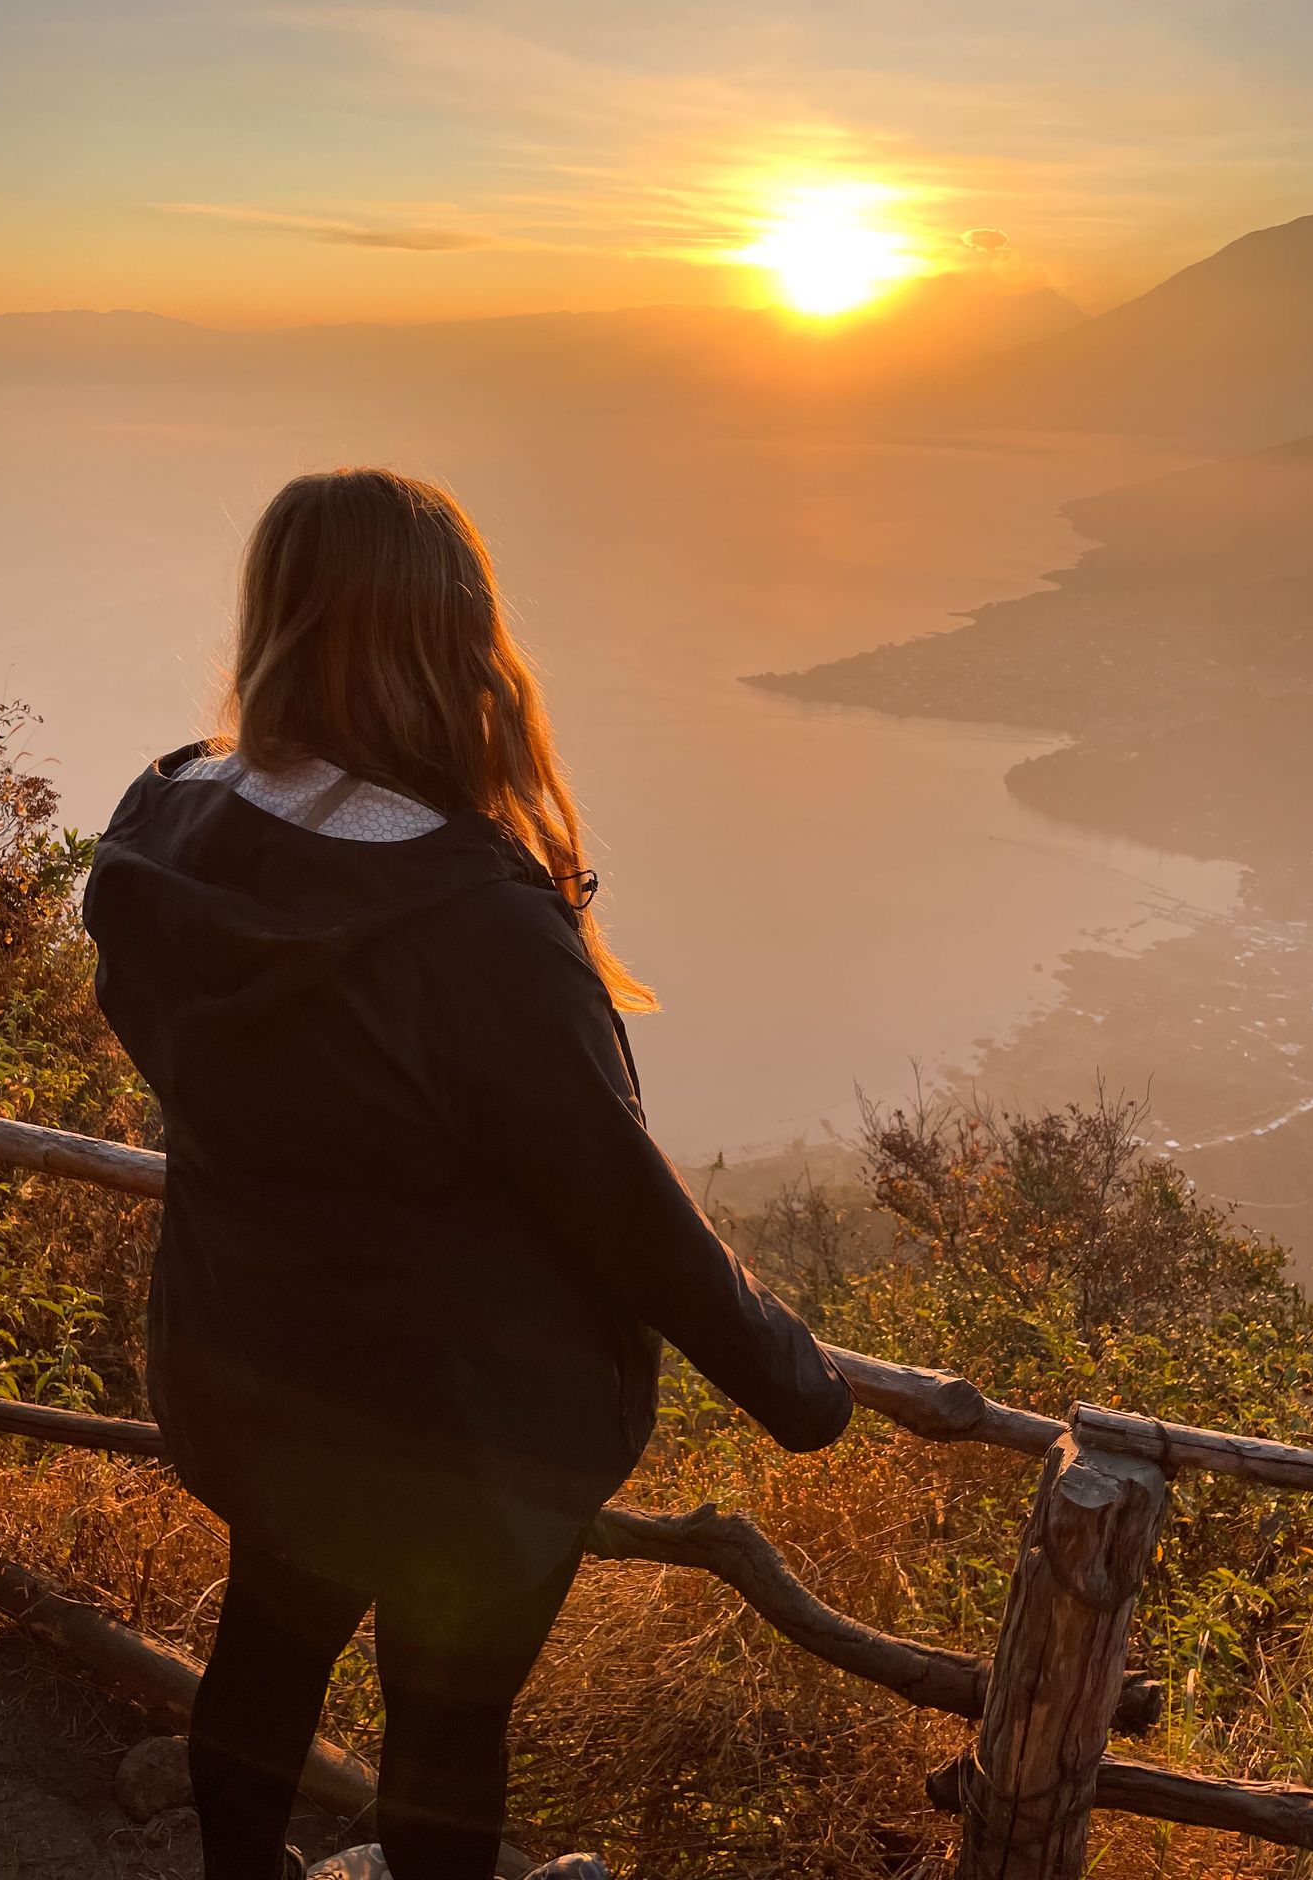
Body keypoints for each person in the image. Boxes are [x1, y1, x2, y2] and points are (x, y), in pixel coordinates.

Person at [83, 466, 854, 1880]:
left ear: (278, 616)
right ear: (456, 639)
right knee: (444, 1727)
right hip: (465, 1431)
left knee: (266, 1650)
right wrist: (797, 1385)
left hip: (262, 1373)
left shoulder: (163, 831)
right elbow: (621, 1205)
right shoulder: (474, 925)